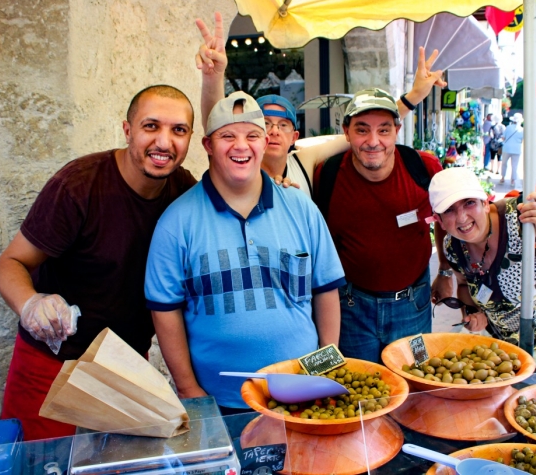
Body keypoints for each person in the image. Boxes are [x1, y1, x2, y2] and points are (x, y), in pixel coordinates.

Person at [0, 14, 228, 441]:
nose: (163, 142)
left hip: (127, 363)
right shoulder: (79, 185)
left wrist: (214, 81)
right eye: (150, 126)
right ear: (127, 130)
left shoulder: (182, 190)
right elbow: (10, 263)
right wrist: (32, 304)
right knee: (39, 464)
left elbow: (225, 156)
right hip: (53, 363)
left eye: (178, 130)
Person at [145, 91, 345, 413]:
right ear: (208, 146)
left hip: (302, 393)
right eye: (227, 136)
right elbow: (165, 311)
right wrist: (188, 388)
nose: (241, 146)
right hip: (219, 402)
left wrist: (325, 366)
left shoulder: (302, 209)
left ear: (265, 143)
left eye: (252, 135)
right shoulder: (176, 222)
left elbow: (325, 291)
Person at [313, 88, 445, 363]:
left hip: (415, 306)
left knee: (417, 378)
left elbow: (447, 220)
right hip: (350, 309)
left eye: (384, 130)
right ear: (346, 132)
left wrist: (445, 271)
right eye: (362, 130)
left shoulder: (424, 167)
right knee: (360, 390)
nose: (373, 142)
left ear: (397, 131)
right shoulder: (326, 174)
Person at [429, 167, 536, 367]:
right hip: (498, 352)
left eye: (469, 203)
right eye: (449, 210)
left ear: (485, 202)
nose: (462, 217)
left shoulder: (523, 221)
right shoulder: (453, 246)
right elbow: (464, 284)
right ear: (439, 221)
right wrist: (471, 311)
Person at [257, 46, 447, 196]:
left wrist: (414, 96)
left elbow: (367, 130)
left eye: (283, 125)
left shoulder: (303, 161)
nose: (274, 131)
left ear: (294, 136)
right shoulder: (237, 172)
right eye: (265, 124)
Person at [500, 113, 523, 188]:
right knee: (514, 165)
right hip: (517, 149)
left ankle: (503, 178)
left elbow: (503, 137)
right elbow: (523, 140)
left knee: (504, 163)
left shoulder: (508, 127)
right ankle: (513, 180)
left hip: (507, 148)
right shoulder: (522, 130)